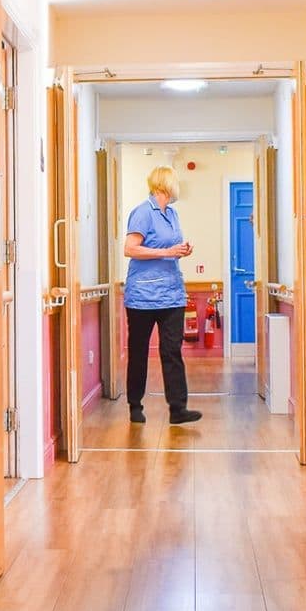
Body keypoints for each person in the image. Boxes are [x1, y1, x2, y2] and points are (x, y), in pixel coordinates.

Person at [122, 164, 202, 425]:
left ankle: (178, 409)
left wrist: (182, 249)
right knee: (139, 351)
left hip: (171, 295)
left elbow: (169, 246)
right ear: (165, 184)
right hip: (143, 297)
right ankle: (135, 405)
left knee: (172, 351)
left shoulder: (173, 214)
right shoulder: (143, 212)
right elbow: (130, 249)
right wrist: (167, 252)